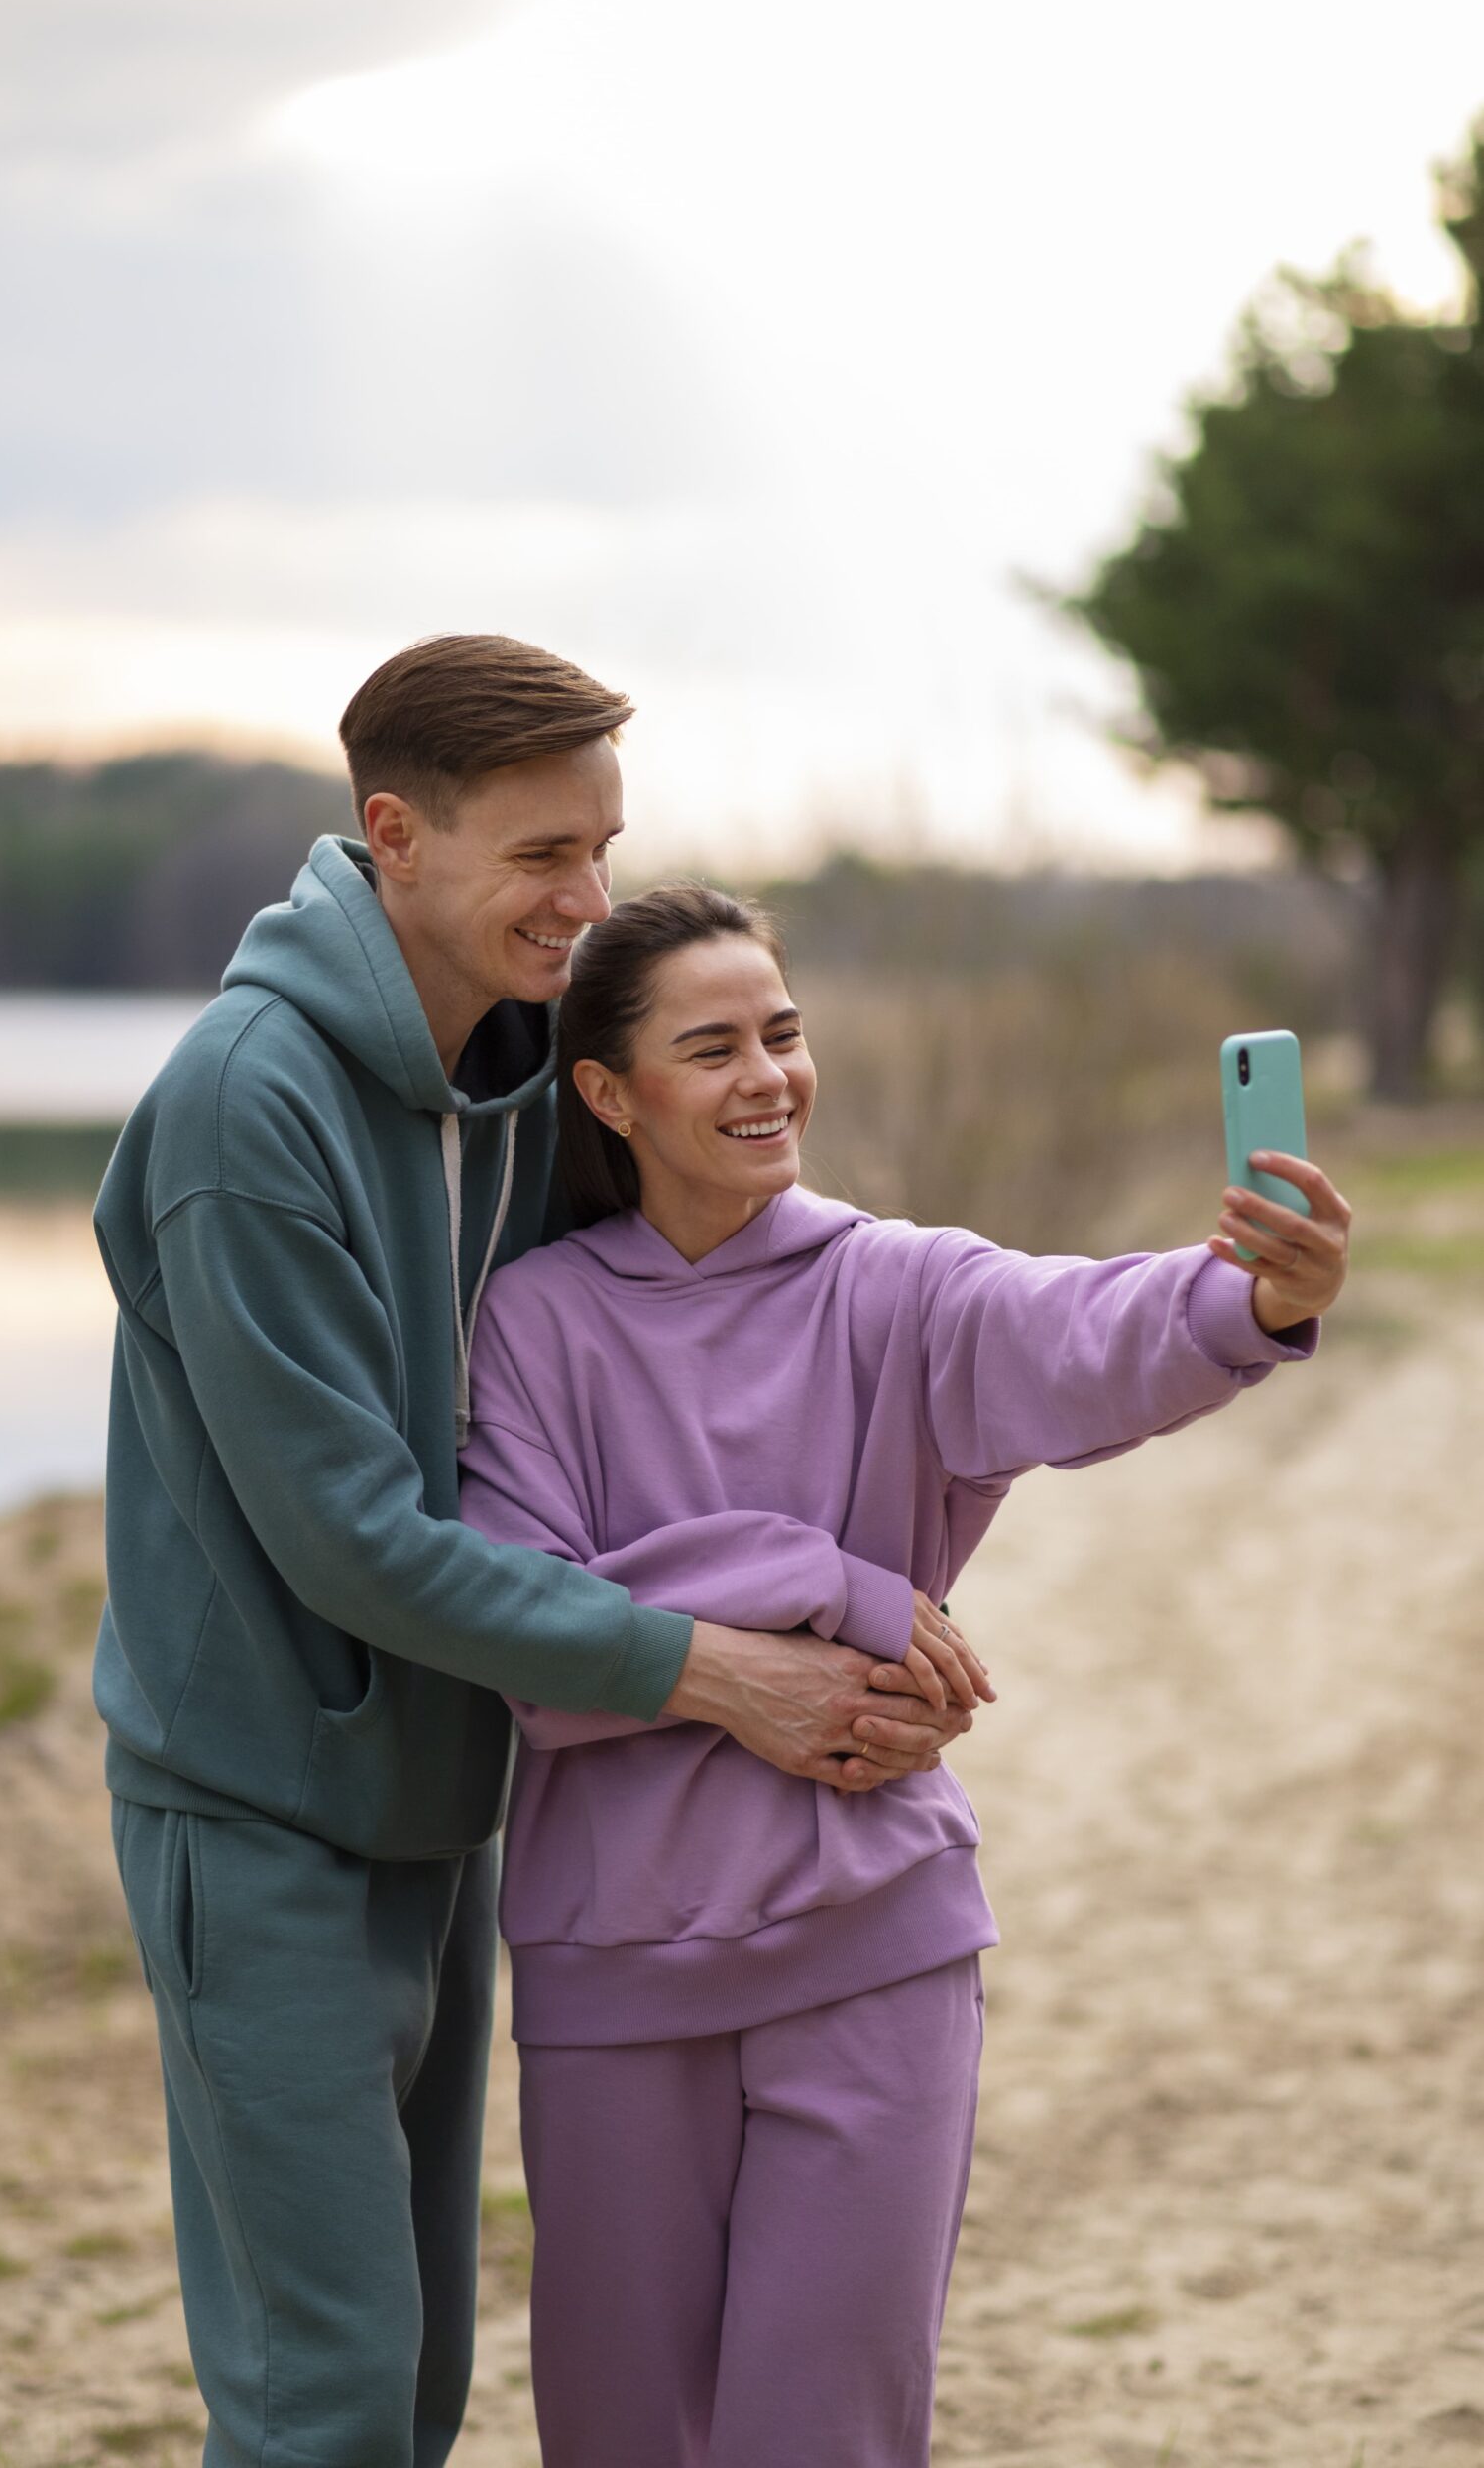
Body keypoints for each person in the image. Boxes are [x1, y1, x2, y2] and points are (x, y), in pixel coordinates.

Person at [91, 638, 955, 2468]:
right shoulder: (245, 1106)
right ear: (394, 835)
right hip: (258, 1810)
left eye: (603, 848)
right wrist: (715, 1672)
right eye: (542, 856)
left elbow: (672, 1367)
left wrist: (864, 1601)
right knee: (324, 2403)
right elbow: (349, 1542)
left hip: (451, 1798)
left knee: (410, 2390)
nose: (587, 901)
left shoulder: (520, 1066)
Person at [457, 881, 1351, 2468]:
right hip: (613, 1965)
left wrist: (1255, 1294)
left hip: (872, 1942)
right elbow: (529, 1633)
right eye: (711, 1048)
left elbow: (1082, 1325)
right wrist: (824, 1578)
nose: (767, 1078)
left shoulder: (898, 1285)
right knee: (620, 2436)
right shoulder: (529, 1324)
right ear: (608, 1092)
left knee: (830, 2438)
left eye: (783, 1035)